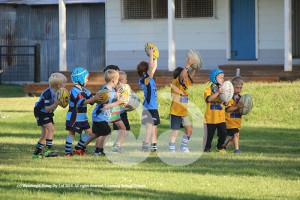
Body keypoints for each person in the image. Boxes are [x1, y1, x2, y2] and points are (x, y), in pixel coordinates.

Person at [77, 69, 125, 155]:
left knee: (96, 134)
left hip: (100, 117)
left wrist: (120, 96)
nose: (118, 81)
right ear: (113, 80)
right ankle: (100, 150)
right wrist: (117, 102)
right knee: (107, 132)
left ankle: (81, 147)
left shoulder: (113, 90)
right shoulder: (105, 92)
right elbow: (105, 107)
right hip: (99, 117)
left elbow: (115, 97)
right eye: (117, 79)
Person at [64, 67, 99, 157]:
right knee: (72, 134)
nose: (87, 80)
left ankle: (78, 149)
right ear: (80, 79)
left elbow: (91, 101)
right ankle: (67, 152)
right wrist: (93, 99)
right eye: (86, 78)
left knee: (89, 133)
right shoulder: (74, 91)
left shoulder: (85, 90)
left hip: (82, 117)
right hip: (74, 117)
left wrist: (99, 98)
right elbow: (81, 102)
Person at [32, 72, 67, 159]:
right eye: (64, 83)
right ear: (59, 85)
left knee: (45, 134)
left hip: (47, 113)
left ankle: (36, 154)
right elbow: (47, 108)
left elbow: (62, 103)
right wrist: (56, 104)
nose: (65, 85)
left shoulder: (59, 92)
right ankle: (48, 150)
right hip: (40, 112)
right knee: (51, 129)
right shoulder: (47, 93)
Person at [169, 58, 196, 152]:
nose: (186, 78)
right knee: (175, 133)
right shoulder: (176, 82)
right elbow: (182, 75)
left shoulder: (185, 84)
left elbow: (190, 76)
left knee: (189, 130)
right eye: (185, 77)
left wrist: (195, 67)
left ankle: (183, 147)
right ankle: (171, 150)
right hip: (175, 113)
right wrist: (188, 65)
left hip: (184, 113)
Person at [137, 46, 160, 153]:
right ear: (145, 71)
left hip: (153, 107)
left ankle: (154, 148)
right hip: (149, 108)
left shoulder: (149, 77)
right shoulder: (145, 79)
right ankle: (144, 148)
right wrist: (150, 55)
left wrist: (155, 57)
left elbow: (153, 67)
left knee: (154, 128)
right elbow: (151, 68)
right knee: (149, 129)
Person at [203, 68, 227, 153]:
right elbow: (208, 99)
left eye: (223, 78)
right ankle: (206, 148)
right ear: (213, 78)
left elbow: (226, 102)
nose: (222, 79)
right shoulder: (208, 90)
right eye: (220, 77)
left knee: (223, 133)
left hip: (220, 118)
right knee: (209, 136)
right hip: (210, 118)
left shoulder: (224, 90)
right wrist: (217, 93)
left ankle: (220, 147)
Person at [223, 76, 244, 153]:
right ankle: (237, 150)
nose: (238, 90)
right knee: (235, 134)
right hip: (229, 120)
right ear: (232, 87)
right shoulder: (228, 97)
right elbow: (227, 109)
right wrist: (237, 106)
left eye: (240, 88)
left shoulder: (242, 98)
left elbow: (243, 110)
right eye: (236, 88)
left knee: (234, 136)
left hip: (237, 121)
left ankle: (223, 146)